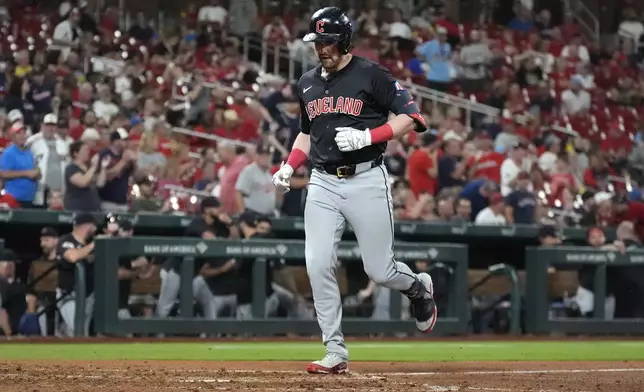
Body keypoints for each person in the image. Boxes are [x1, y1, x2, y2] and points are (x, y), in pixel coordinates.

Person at [271, 7, 437, 374]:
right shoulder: (307, 82)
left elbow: (412, 119)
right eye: (317, 42)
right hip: (323, 181)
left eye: (327, 41)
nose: (321, 48)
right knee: (317, 264)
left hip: (366, 178)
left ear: (344, 40)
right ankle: (335, 350)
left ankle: (418, 289)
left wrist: (369, 135)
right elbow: (306, 131)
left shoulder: (371, 74)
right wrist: (289, 165)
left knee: (379, 270)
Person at [55, 213, 98, 337]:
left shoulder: (89, 243)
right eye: (93, 226)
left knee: (81, 332)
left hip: (88, 297)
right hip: (68, 295)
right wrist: (94, 244)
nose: (95, 229)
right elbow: (73, 257)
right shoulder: (66, 240)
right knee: (77, 331)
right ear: (87, 226)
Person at [0, 125, 39, 208]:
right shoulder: (8, 153)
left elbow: (33, 171)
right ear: (13, 136)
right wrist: (26, 173)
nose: (22, 136)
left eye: (24, 133)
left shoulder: (29, 153)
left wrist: (37, 173)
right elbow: (3, 174)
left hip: (29, 199)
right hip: (13, 199)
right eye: (19, 133)